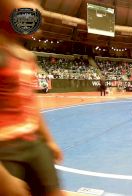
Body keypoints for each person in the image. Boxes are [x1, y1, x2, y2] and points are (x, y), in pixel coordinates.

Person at [0, 0, 64, 195]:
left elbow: (31, 105)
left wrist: (49, 140)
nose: (38, 12)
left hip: (32, 142)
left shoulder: (28, 58)